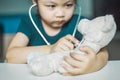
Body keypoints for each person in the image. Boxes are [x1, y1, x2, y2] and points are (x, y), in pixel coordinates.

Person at [6, 0, 108, 76]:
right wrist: (51, 49)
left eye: (68, 5)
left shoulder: (80, 23)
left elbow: (102, 51)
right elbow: (11, 55)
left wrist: (95, 63)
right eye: (51, 6)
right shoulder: (29, 23)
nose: (60, 14)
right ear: (35, 2)